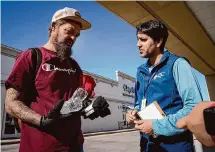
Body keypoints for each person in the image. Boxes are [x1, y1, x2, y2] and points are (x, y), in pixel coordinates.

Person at [5, 7, 110, 152]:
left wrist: (91, 108)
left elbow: (74, 103)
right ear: (54, 27)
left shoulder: (74, 65)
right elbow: (11, 103)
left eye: (77, 35)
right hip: (41, 146)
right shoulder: (31, 57)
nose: (73, 38)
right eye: (69, 31)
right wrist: (42, 121)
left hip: (75, 146)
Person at [126, 19, 202, 152]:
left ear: (158, 41)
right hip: (148, 145)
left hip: (175, 145)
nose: (138, 44)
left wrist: (156, 126)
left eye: (143, 40)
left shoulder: (178, 64)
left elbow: (193, 108)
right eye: (137, 39)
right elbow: (139, 104)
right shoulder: (140, 72)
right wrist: (133, 113)